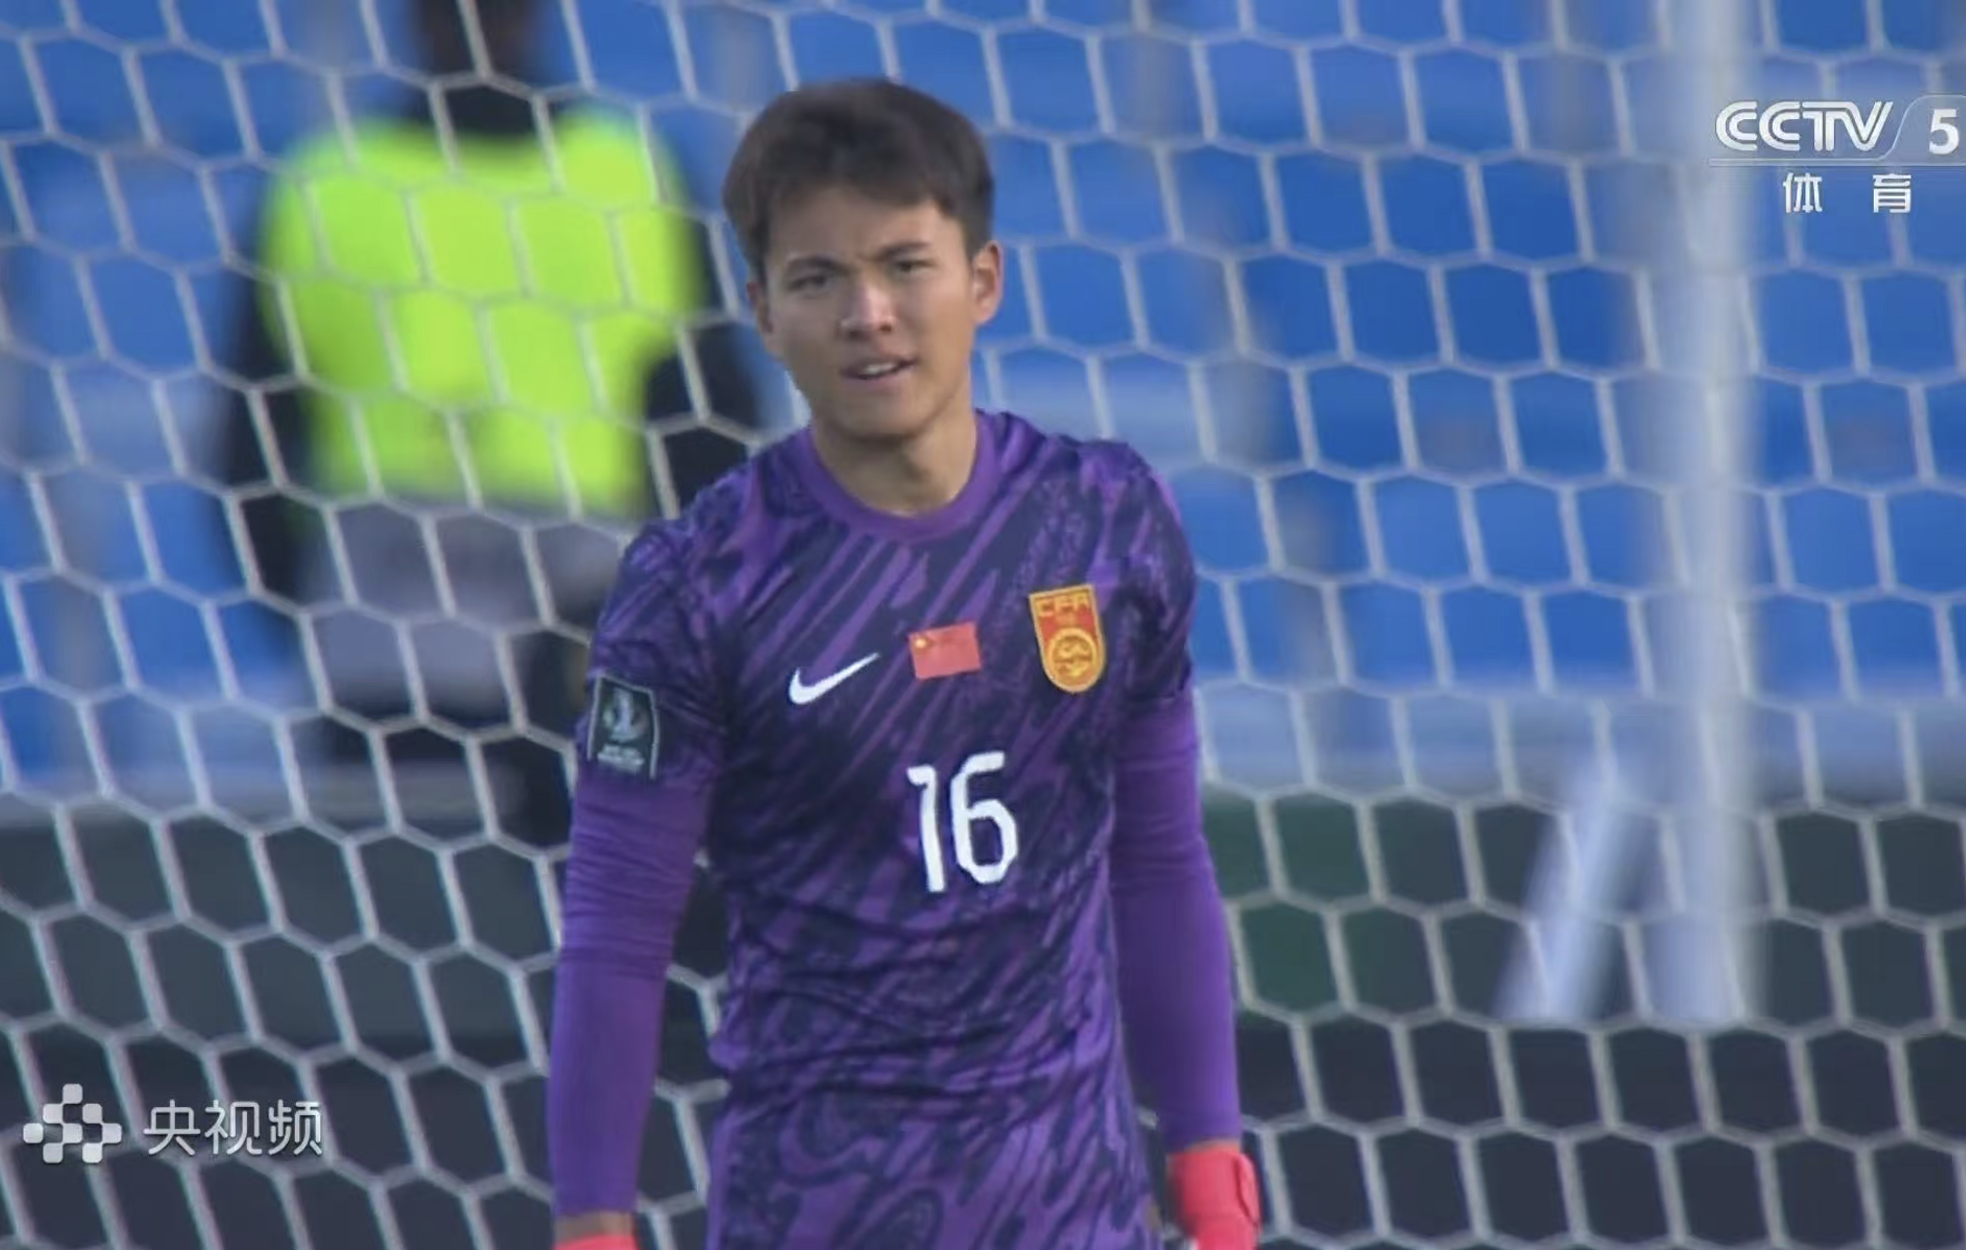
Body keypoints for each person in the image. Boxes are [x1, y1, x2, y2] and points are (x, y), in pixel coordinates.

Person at [546, 78, 1260, 1250]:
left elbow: (1159, 857)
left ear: (982, 279)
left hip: (1075, 1216)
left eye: (904, 265)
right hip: (815, 1213)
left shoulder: (1105, 523)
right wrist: (591, 1224)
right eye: (817, 278)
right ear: (762, 312)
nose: (867, 313)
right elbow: (619, 928)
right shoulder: (696, 585)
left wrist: (1210, 1160)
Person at [215, 0, 761, 841]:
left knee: (414, 888)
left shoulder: (326, 181)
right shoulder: (626, 172)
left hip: (415, 620)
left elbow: (246, 446)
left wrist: (317, 609)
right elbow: (715, 425)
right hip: (522, 623)